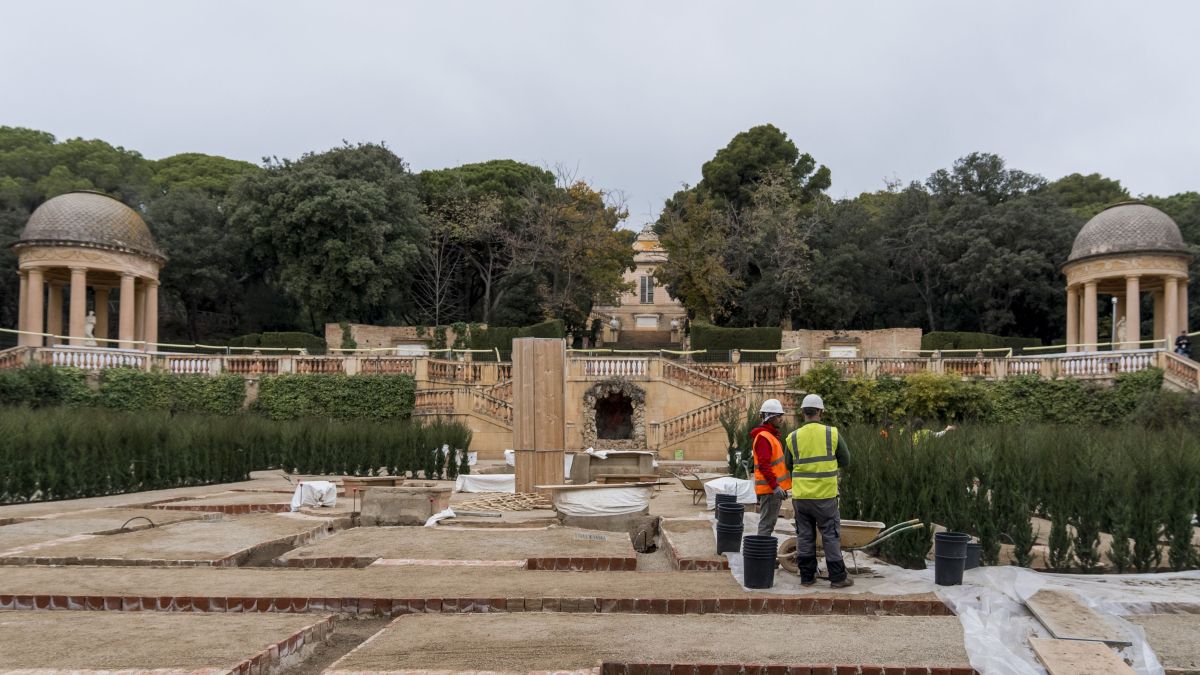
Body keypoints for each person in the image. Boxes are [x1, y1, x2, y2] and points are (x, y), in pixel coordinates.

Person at [784, 393, 852, 588]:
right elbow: (846, 460)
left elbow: (788, 464)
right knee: (830, 535)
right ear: (821, 412)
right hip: (825, 496)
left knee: (804, 536)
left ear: (802, 412)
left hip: (802, 497)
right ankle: (838, 577)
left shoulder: (793, 437)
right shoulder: (832, 433)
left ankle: (807, 577)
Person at [750, 399, 791, 536]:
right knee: (766, 526)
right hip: (769, 490)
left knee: (768, 524)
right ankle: (761, 555)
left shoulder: (770, 436)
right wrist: (775, 486)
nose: (781, 419)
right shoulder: (764, 438)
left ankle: (762, 554)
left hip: (772, 489)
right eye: (778, 416)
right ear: (770, 417)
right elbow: (764, 466)